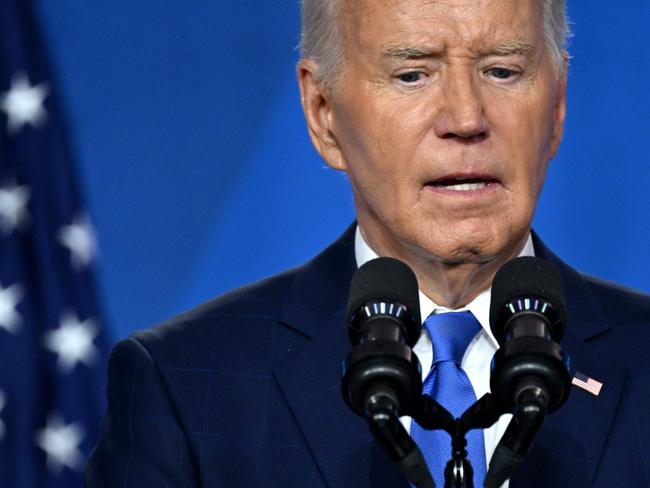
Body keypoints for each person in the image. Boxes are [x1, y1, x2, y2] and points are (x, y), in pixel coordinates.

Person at [86, 0, 650, 486]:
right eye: (413, 75)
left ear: (555, 105)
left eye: (502, 71)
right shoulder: (185, 389)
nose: (465, 118)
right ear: (323, 113)